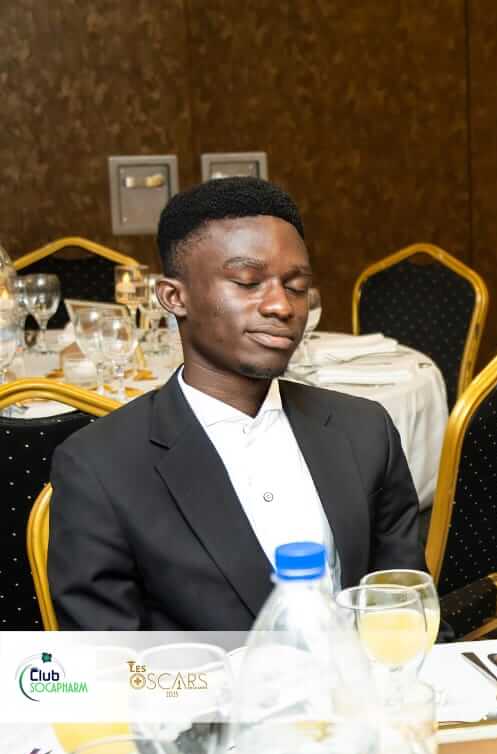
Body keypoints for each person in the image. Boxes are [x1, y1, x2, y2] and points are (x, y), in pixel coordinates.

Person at [49, 177, 425, 630]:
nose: (281, 306)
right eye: (248, 282)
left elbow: (407, 613)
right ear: (174, 297)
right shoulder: (100, 467)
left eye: (297, 286)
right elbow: (109, 659)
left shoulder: (364, 431)